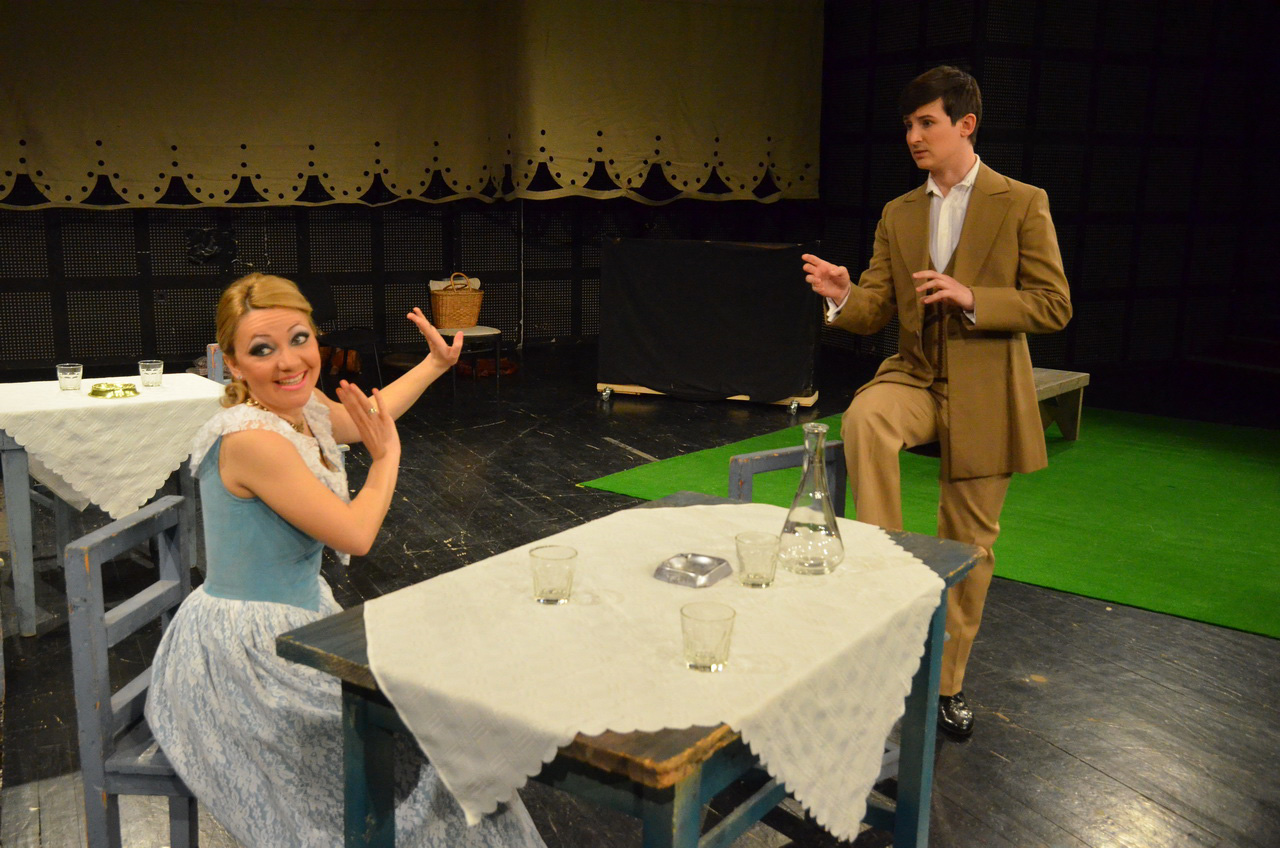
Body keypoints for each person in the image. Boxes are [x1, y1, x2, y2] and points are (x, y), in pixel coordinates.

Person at [146, 273, 546, 847]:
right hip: (247, 652)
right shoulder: (252, 440)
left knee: (439, 732)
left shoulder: (297, 407)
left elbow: (366, 418)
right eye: (263, 349)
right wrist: (387, 460)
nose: (289, 361)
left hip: (299, 621)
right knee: (428, 749)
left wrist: (435, 364)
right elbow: (357, 535)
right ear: (232, 364)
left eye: (299, 339)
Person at [801, 66, 1072, 737]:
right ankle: (888, 566)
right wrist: (843, 294)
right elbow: (874, 308)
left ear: (965, 124)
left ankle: (946, 685)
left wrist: (973, 298)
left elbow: (1053, 305)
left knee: (969, 546)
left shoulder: (1022, 202)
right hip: (917, 377)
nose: (914, 137)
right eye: (908, 126)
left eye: (927, 123)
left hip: (987, 392)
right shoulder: (899, 212)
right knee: (866, 416)